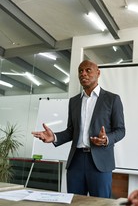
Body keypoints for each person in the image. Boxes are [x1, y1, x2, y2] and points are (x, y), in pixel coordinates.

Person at [32, 60, 125, 198]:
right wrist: (54, 137)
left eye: (88, 70)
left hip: (100, 163)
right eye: (80, 71)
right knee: (74, 204)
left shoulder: (112, 99)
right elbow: (72, 131)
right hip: (76, 161)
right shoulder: (74, 101)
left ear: (98, 73)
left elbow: (121, 130)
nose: (83, 74)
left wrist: (106, 139)